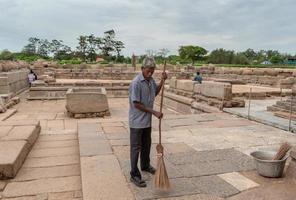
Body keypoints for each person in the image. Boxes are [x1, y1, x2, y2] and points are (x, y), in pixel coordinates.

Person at [129, 56, 167, 187]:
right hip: (137, 122)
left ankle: (145, 165)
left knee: (146, 145)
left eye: (152, 70)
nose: (150, 73)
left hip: (147, 122)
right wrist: (154, 112)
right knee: (136, 148)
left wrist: (162, 81)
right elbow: (136, 104)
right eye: (148, 70)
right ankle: (134, 174)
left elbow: (154, 93)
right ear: (142, 69)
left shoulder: (150, 81)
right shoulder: (136, 83)